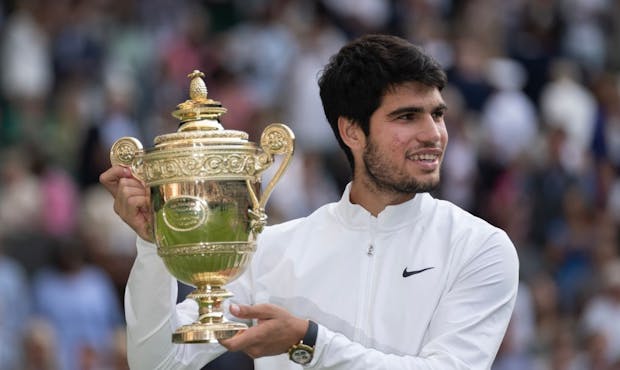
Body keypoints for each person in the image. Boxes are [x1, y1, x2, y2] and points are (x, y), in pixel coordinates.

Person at [100, 34, 519, 369]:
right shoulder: (268, 250)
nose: (434, 134)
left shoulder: (479, 247)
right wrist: (154, 245)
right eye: (407, 116)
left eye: (438, 114)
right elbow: (159, 363)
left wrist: (308, 342)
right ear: (352, 132)